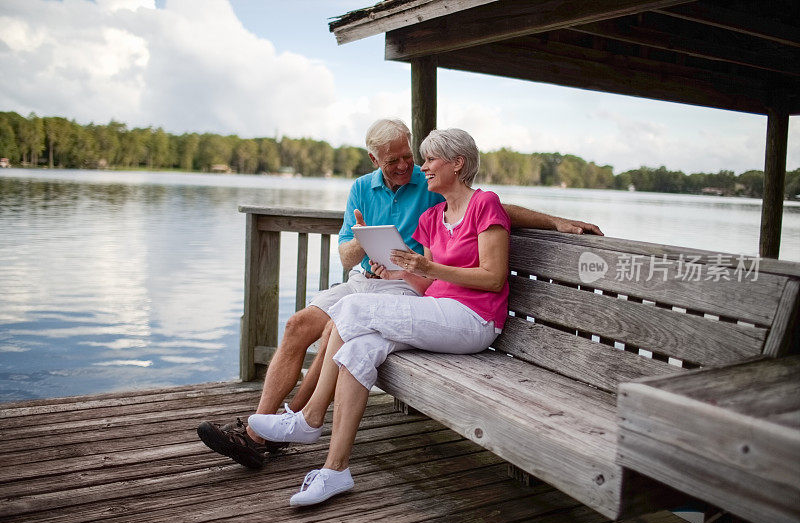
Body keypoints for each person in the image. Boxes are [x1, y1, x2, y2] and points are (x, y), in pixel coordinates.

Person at [197, 119, 602, 469]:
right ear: (375, 160)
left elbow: (492, 208)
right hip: (376, 276)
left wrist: (555, 220)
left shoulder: (431, 187)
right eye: (395, 160)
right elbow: (345, 255)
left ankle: (275, 429)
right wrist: (364, 241)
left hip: (417, 291)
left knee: (342, 327)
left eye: (409, 156)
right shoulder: (365, 189)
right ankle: (271, 424)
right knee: (299, 324)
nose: (408, 165)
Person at [248, 127, 511, 506]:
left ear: (458, 163)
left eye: (430, 159)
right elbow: (423, 285)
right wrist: (397, 272)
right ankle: (335, 470)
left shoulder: (485, 204)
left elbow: (493, 278)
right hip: (437, 311)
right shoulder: (434, 217)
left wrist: (429, 267)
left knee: (351, 307)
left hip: (474, 319)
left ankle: (309, 418)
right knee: (358, 349)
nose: (422, 167)